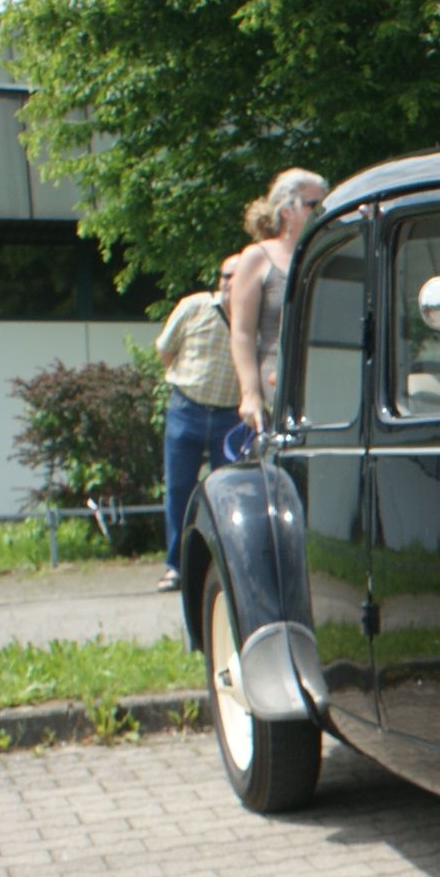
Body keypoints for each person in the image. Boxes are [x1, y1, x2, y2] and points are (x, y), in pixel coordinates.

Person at [151, 253, 244, 591]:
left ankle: (226, 566)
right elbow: (165, 349)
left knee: (228, 493)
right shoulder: (193, 306)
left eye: (236, 275)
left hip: (231, 417)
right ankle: (175, 567)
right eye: (224, 276)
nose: (229, 282)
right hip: (186, 409)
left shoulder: (254, 314)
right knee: (178, 490)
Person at [229, 167, 328, 435]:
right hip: (278, 376)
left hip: (326, 374)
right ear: (286, 210)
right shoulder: (258, 257)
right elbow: (242, 332)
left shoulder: (329, 253)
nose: (322, 212)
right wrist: (250, 394)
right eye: (313, 205)